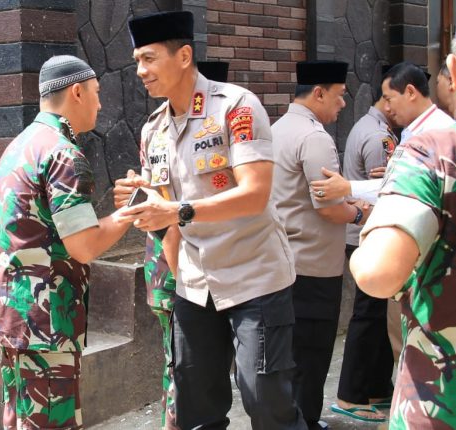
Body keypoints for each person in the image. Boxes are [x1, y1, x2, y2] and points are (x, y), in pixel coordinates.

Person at [117, 11, 305, 429]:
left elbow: (255, 193)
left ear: (184, 56)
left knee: (266, 401)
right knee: (195, 407)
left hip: (254, 278)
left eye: (149, 59)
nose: (141, 71)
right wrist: (143, 198)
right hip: (194, 285)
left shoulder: (236, 107)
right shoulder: (153, 130)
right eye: (137, 62)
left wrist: (177, 210)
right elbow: (164, 210)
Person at [0, 55, 132, 430]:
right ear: (76, 92)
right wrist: (129, 214)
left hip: (15, 318)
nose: (100, 104)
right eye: (96, 93)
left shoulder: (22, 144)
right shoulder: (62, 153)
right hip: (45, 325)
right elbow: (84, 246)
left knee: (21, 420)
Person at [349, 3, 456, 426]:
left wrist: (369, 230)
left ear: (455, 72)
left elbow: (378, 272)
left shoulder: (435, 149)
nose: (387, 106)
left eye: (390, 97)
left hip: (447, 401)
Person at [112, 58, 229, 430]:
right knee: (183, 366)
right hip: (174, 272)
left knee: (190, 367)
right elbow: (161, 211)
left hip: (205, 270)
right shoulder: (157, 130)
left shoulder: (226, 122)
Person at [271, 60, 372, 430]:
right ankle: (306, 422)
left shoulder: (276, 128)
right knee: (311, 355)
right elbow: (329, 208)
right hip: (313, 266)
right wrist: (360, 214)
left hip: (282, 260)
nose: (342, 104)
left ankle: (289, 419)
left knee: (288, 356)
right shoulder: (315, 138)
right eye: (339, 95)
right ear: (318, 93)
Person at [332, 83, 398, 423]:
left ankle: (376, 389)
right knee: (368, 316)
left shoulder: (369, 127)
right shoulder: (379, 138)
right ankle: (351, 395)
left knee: (376, 315)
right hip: (368, 235)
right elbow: (384, 194)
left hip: (364, 235)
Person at [310, 62, 455, 204]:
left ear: (410, 93)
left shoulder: (441, 132)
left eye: (389, 99)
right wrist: (395, 174)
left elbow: (408, 189)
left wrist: (348, 188)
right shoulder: (412, 130)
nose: (387, 108)